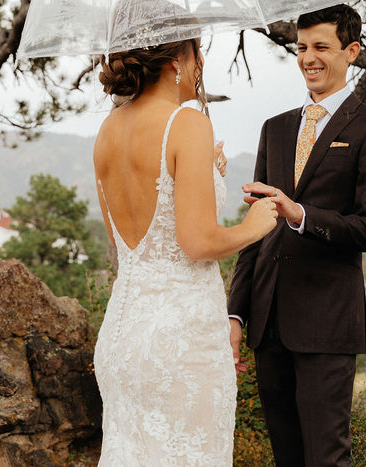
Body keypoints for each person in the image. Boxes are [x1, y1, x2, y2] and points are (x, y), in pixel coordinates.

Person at [92, 34, 279, 465]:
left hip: (124, 331)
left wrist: (203, 174)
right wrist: (254, 226)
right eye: (199, 53)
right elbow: (197, 243)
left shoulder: (108, 130)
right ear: (178, 59)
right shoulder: (187, 123)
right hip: (180, 339)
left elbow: (132, 243)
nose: (201, 66)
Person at [227, 4, 366, 467]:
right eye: (301, 47)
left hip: (327, 325)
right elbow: (254, 234)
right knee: (287, 457)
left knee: (326, 458)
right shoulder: (276, 129)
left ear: (352, 52)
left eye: (321, 47)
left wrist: (300, 213)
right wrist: (236, 315)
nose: (309, 57)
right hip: (268, 322)